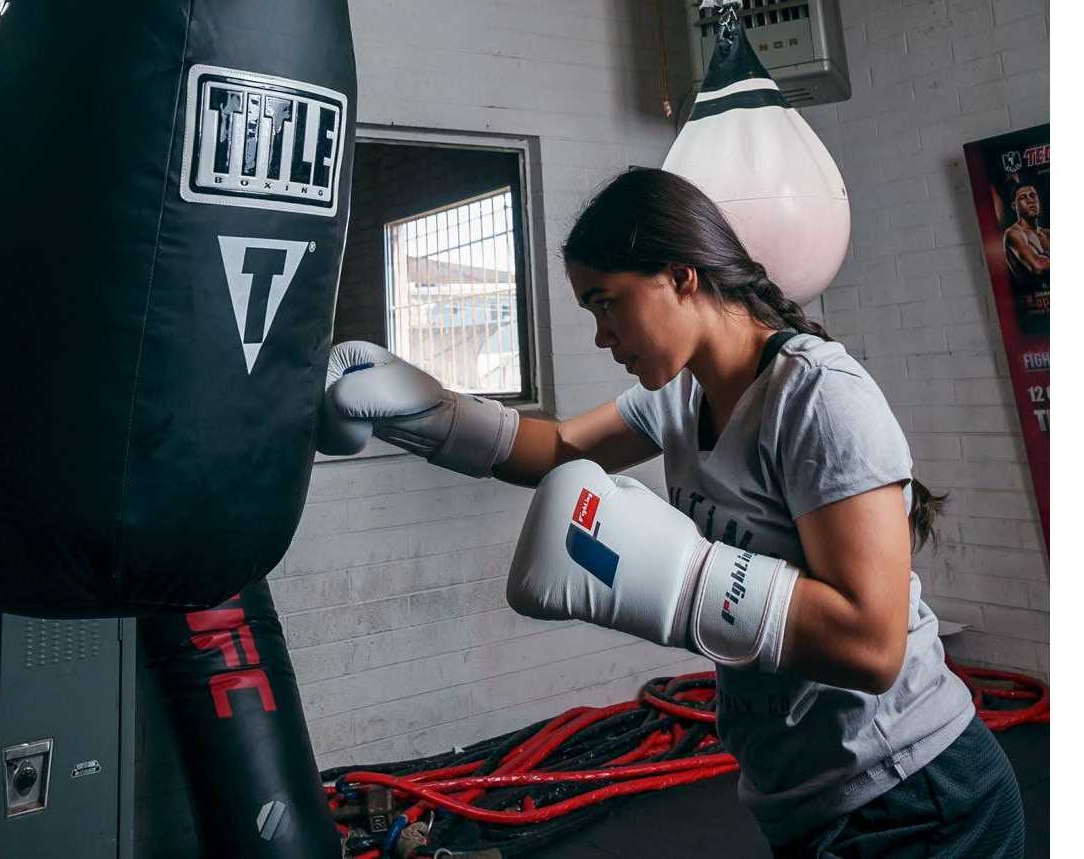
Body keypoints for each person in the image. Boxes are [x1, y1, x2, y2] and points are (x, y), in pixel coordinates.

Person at [319, 167, 1025, 857]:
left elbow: (873, 644)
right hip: (805, 798)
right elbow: (556, 448)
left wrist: (687, 582)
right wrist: (429, 412)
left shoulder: (817, 394)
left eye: (607, 302)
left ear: (681, 276)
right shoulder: (680, 398)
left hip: (917, 794)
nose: (602, 336)